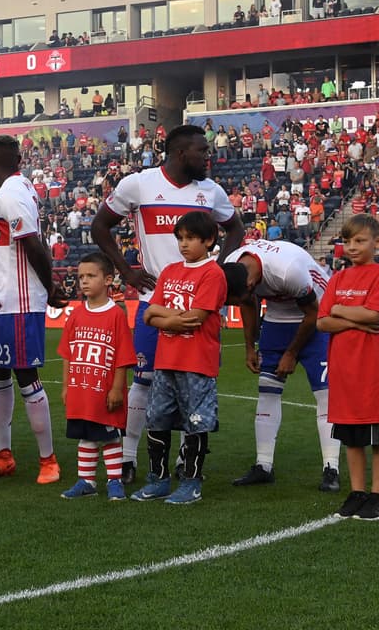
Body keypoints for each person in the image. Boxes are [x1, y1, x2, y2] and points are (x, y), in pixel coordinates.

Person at [90, 124, 244, 484]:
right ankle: (129, 459)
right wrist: (126, 270)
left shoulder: (211, 191)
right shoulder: (139, 184)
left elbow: (235, 228)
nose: (208, 157)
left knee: (195, 384)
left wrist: (217, 269)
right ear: (180, 153)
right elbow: (100, 225)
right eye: (201, 151)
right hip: (153, 302)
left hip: (199, 307)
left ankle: (185, 461)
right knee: (143, 381)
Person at [222, 237, 341, 491]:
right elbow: (247, 303)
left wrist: (291, 353)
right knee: (267, 391)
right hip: (278, 319)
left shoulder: (288, 271)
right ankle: (263, 466)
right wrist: (249, 347)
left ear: (251, 283)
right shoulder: (232, 264)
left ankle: (331, 468)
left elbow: (311, 313)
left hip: (319, 315)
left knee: (325, 394)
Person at [0, 135, 64, 485]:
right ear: (18, 157)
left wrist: (50, 287)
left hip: (20, 300)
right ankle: (3, 454)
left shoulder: (12, 192)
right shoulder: (17, 188)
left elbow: (32, 242)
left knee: (24, 375)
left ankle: (49, 460)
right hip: (0, 300)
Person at [131, 212, 229, 505]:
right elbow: (149, 313)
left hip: (197, 362)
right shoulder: (171, 271)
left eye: (190, 238)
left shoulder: (213, 274)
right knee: (157, 418)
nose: (183, 244)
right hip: (166, 361)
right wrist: (171, 318)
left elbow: (196, 319)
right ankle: (158, 480)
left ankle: (191, 482)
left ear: (209, 240)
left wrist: (164, 317)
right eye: (180, 238)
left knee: (196, 423)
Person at [317, 214, 379, 521]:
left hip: (370, 371)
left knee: (377, 436)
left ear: (377, 243)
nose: (352, 247)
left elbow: (376, 316)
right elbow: (323, 321)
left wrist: (340, 310)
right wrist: (352, 315)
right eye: (347, 241)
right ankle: (357, 492)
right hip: (343, 370)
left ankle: (378, 497)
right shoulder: (337, 279)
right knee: (349, 436)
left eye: (359, 241)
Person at [57, 252, 134, 501]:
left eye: (91, 276)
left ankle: (114, 481)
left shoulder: (116, 315)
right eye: (81, 277)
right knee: (85, 435)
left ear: (108, 279)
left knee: (109, 436)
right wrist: (67, 385)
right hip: (81, 389)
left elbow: (123, 357)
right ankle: (86, 481)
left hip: (105, 390)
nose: (84, 281)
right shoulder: (76, 315)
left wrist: (117, 389)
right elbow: (67, 353)